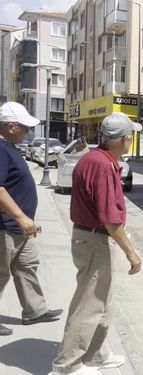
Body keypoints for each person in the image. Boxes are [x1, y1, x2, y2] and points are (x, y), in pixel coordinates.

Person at [50, 112, 142, 375]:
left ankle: (96, 354)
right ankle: (66, 365)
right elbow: (111, 219)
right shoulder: (103, 165)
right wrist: (131, 253)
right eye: (131, 137)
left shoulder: (95, 158)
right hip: (95, 240)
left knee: (103, 302)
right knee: (89, 304)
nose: (131, 141)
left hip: (91, 237)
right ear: (125, 139)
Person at [0, 102, 63, 336]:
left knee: (27, 266)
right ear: (12, 127)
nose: (28, 131)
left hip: (20, 227)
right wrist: (20, 218)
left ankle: (35, 310)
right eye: (26, 127)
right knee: (1, 272)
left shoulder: (9, 147)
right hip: (6, 226)